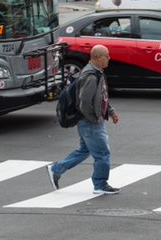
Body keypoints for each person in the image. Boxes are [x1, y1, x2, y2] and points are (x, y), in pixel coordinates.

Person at [46, 44, 121, 194]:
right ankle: (100, 185)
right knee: (102, 154)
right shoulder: (91, 76)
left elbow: (100, 97)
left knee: (85, 150)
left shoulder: (96, 72)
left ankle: (56, 169)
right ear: (98, 58)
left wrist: (110, 111)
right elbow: (84, 102)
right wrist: (94, 118)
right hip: (90, 122)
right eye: (107, 56)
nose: (109, 58)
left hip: (88, 121)